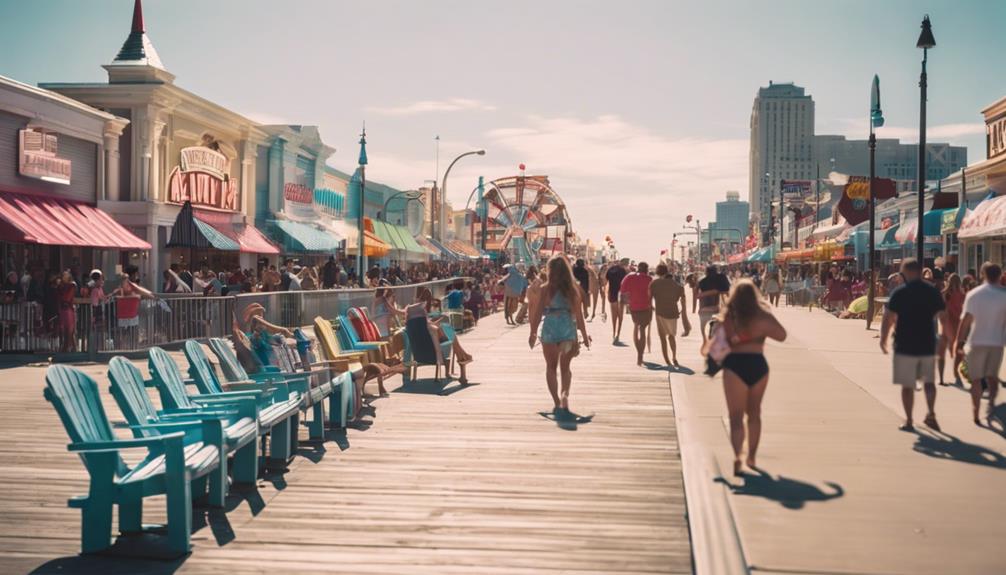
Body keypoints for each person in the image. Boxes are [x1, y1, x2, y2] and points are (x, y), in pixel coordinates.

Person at [714, 279, 786, 476]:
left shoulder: (729, 316)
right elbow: (782, 335)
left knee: (735, 417)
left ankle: (738, 456)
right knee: (754, 414)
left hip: (734, 365)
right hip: (758, 364)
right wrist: (760, 331)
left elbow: (715, 344)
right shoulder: (762, 316)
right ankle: (752, 456)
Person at [880, 259, 948, 432]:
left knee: (907, 384)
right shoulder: (932, 292)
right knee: (929, 382)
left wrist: (883, 339)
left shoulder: (899, 292)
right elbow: (943, 316)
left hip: (905, 343)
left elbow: (888, 317)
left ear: (907, 272)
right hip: (926, 342)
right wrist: (949, 338)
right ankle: (931, 414)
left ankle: (909, 420)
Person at [528, 255, 590, 414]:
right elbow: (579, 314)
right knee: (565, 368)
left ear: (550, 271)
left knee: (550, 367)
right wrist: (584, 334)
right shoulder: (573, 288)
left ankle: (556, 400)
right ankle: (565, 394)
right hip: (567, 328)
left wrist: (533, 332)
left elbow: (538, 311)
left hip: (550, 328)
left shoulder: (545, 288)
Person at [954, 262, 1006, 425]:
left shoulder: (974, 295)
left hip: (976, 341)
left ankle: (975, 413)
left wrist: (959, 342)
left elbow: (966, 321)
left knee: (976, 379)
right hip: (997, 342)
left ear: (982, 274)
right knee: (992, 377)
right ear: (1000, 276)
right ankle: (990, 405)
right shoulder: (1004, 295)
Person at [407, 287, 473, 384]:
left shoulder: (412, 320)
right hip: (432, 346)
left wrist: (434, 323)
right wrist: (437, 322)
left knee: (448, 331)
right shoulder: (422, 313)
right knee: (451, 334)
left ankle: (463, 356)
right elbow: (430, 326)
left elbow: (427, 324)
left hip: (420, 349)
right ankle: (463, 357)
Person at [649, 263, 690, 366]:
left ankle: (668, 361)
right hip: (673, 313)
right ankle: (674, 357)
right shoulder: (676, 285)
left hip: (660, 313)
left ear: (658, 272)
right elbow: (681, 296)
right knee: (671, 337)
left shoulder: (654, 284)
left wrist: (652, 307)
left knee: (663, 338)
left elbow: (649, 299)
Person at [620, 261, 653, 366]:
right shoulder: (649, 279)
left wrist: (627, 304)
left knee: (636, 326)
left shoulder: (629, 277)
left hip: (634, 307)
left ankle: (638, 355)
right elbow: (652, 294)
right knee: (642, 329)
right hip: (646, 308)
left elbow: (623, 291)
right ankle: (640, 355)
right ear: (646, 270)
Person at [940, 273, 966, 386]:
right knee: (959, 348)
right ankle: (958, 373)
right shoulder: (963, 295)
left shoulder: (945, 294)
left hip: (947, 323)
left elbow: (942, 309)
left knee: (945, 350)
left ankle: (943, 377)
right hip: (959, 323)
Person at [697, 265, 729, 345]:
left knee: (704, 330)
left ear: (706, 272)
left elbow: (698, 295)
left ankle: (706, 342)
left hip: (704, 309)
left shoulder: (702, 281)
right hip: (716, 309)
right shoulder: (721, 279)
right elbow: (726, 293)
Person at [605, 258, 629, 343]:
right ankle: (617, 335)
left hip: (612, 294)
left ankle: (613, 333)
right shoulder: (624, 271)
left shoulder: (610, 270)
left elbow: (606, 282)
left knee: (614, 316)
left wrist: (607, 293)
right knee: (620, 316)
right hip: (621, 294)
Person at [56, 270, 77, 352]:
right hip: (62, 309)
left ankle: (69, 348)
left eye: (66, 275)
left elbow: (67, 297)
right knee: (62, 329)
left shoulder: (72, 285)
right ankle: (64, 347)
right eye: (63, 275)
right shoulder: (60, 286)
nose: (64, 276)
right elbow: (58, 297)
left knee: (70, 330)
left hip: (68, 309)